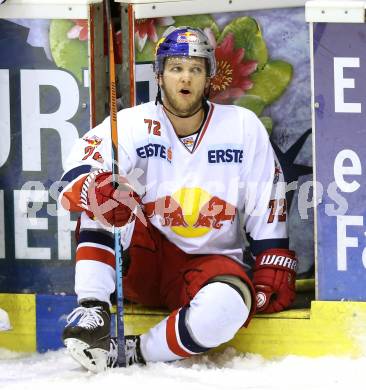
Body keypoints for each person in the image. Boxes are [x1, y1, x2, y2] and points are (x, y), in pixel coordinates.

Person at [58, 26, 297, 372]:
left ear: (208, 77)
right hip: (142, 257)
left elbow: (266, 195)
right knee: (105, 196)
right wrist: (94, 189)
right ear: (159, 75)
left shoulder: (242, 126)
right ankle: (93, 309)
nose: (186, 78)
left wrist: (272, 259)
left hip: (209, 266)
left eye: (195, 69)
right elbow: (78, 171)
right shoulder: (132, 123)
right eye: (176, 68)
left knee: (230, 306)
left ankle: (132, 351)